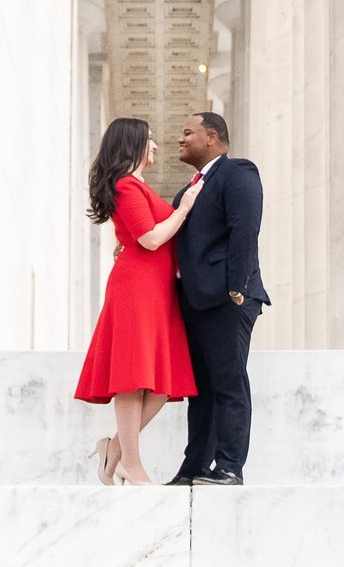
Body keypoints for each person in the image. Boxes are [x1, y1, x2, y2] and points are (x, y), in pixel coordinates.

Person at [73, 116, 203, 485]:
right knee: (133, 376)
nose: (157, 147)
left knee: (162, 382)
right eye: (149, 140)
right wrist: (184, 207)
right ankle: (130, 460)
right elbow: (149, 238)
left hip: (156, 288)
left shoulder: (134, 187)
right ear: (133, 144)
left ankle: (114, 449)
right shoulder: (127, 185)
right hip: (137, 287)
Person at [164, 111, 267, 485]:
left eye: (187, 133)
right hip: (195, 304)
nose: (180, 139)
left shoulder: (239, 173)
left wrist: (236, 287)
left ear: (211, 137)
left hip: (228, 299)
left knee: (228, 383)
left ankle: (229, 468)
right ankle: (194, 468)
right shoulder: (185, 192)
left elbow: (245, 229)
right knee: (201, 392)